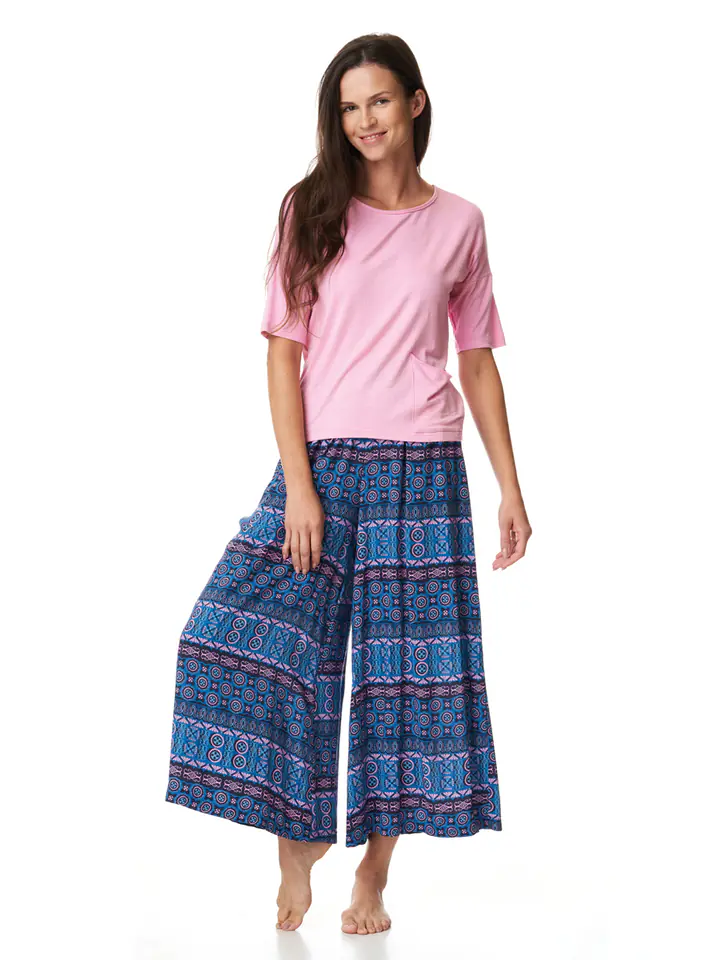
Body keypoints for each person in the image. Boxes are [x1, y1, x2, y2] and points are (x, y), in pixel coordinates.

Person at [164, 32, 532, 937]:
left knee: (405, 681)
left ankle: (372, 877)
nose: (364, 120)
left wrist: (510, 488)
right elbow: (281, 354)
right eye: (348, 106)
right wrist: (298, 485)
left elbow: (476, 362)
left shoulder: (460, 222)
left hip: (423, 467)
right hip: (323, 466)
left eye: (379, 101)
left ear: (414, 103)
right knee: (227, 637)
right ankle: (298, 839)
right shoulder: (311, 208)